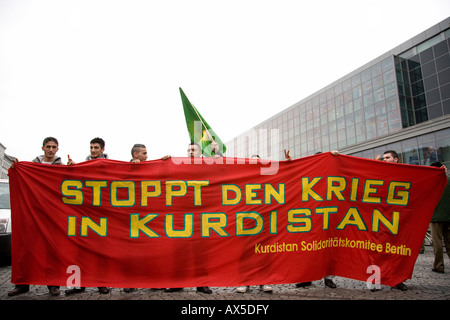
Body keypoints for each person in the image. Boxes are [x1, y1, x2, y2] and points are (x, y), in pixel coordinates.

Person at [8, 137, 63, 296]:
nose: (51, 149)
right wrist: (16, 169)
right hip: (32, 213)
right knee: (26, 248)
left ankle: (53, 285)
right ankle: (22, 284)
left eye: (53, 147)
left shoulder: (61, 167)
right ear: (43, 148)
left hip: (52, 215)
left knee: (52, 251)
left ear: (57, 149)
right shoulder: (32, 166)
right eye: (48, 147)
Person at [283, 149, 338, 289]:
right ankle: (306, 277)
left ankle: (329, 278)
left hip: (326, 216)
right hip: (309, 218)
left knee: (328, 248)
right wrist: (290, 162)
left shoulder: (330, 173)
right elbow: (294, 174)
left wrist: (335, 156)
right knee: (308, 248)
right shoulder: (307, 173)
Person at [164, 142, 212, 294]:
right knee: (180, 253)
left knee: (200, 254)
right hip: (182, 216)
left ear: (200, 153)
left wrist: (217, 154)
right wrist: (165, 162)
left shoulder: (206, 166)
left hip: (202, 217)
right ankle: (178, 283)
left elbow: (223, 169)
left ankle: (201, 284)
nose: (190, 152)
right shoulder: (180, 165)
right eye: (188, 150)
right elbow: (164, 174)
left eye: (193, 150)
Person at [65, 137, 110, 295]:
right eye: (91, 147)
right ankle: (79, 284)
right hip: (83, 214)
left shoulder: (112, 166)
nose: (93, 150)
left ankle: (101, 283)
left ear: (102, 149)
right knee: (80, 252)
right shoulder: (81, 166)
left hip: (103, 216)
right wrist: (71, 168)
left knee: (100, 253)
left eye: (96, 147)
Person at [236, 154, 273, 293]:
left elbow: (289, 175)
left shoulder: (269, 176)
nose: (255, 163)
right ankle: (245, 282)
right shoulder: (242, 176)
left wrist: (289, 161)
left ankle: (264, 281)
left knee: (265, 253)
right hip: (246, 221)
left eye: (258, 161)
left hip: (265, 221)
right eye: (252, 162)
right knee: (246, 254)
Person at [429, 161, 450, 274]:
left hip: (436, 216)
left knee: (437, 242)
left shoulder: (432, 182)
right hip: (448, 215)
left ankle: (439, 266)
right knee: (449, 242)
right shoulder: (449, 179)